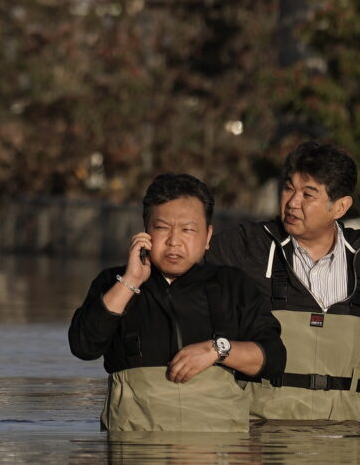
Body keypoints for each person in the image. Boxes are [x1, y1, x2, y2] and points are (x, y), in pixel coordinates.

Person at [206, 142, 360, 422]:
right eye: (289, 188)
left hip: (344, 425)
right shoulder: (250, 244)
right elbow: (185, 275)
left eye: (308, 194)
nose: (292, 202)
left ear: (340, 206)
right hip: (261, 427)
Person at [68, 172, 286, 433]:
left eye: (188, 230)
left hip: (216, 450)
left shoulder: (233, 285)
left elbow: (273, 359)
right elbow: (83, 346)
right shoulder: (113, 282)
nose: (174, 241)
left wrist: (218, 350)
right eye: (162, 228)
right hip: (135, 448)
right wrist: (130, 281)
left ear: (207, 236)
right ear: (145, 232)